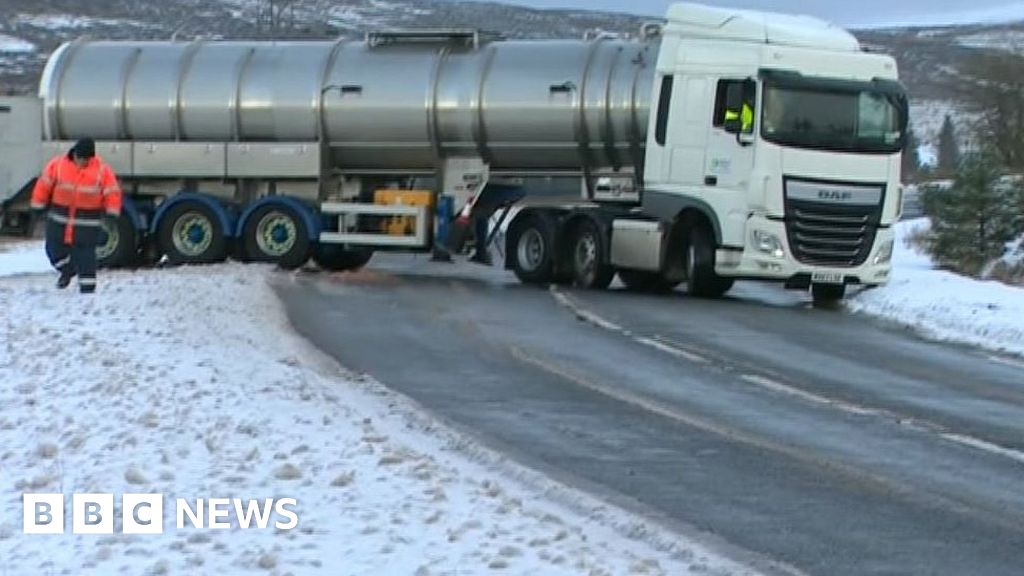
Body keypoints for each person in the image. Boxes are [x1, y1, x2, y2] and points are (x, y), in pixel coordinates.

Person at [30, 138, 122, 294]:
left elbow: (112, 192)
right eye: (82, 158)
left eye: (87, 159)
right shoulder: (57, 165)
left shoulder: (102, 170)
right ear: (75, 154)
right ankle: (67, 270)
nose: (84, 162)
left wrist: (111, 214)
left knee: (86, 256)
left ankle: (87, 290)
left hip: (87, 224)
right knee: (53, 249)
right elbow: (43, 185)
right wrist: (38, 206)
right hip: (59, 220)